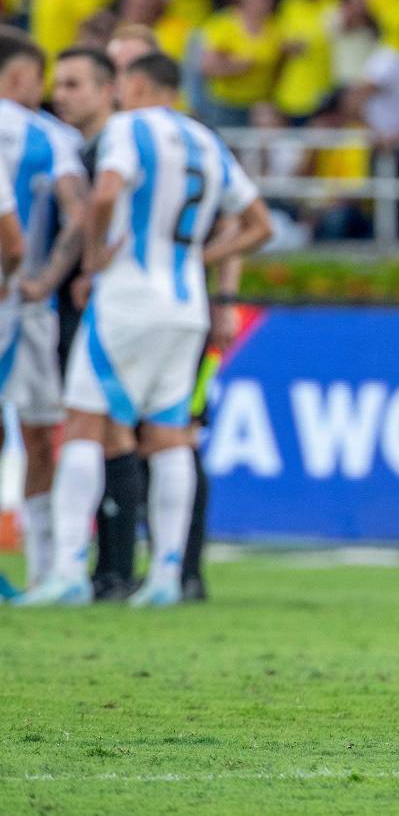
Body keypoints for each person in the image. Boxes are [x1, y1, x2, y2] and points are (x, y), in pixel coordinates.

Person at [17, 52, 272, 607]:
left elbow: (106, 193)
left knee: (85, 424)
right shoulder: (206, 140)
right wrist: (204, 253)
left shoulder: (127, 128)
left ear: (131, 85)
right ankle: (164, 575)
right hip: (187, 306)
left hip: (127, 297)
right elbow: (260, 225)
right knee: (170, 436)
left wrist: (92, 261)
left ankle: (65, 572)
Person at [32, 45, 143, 601]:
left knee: (102, 428)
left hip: (105, 298)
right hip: (90, 300)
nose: (61, 94)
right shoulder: (77, 145)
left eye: (74, 84)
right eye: (60, 84)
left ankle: (99, 568)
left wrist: (79, 269)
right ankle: (114, 568)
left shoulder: (114, 146)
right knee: (110, 430)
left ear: (109, 89)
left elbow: (95, 216)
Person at [0, 28, 86, 591]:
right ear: (17, 78)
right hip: (28, 305)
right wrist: (45, 277)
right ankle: (47, 569)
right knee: (39, 434)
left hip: (16, 299)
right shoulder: (51, 136)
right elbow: (78, 215)